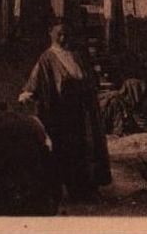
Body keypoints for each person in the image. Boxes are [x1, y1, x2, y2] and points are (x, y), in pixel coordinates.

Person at [19, 17, 111, 201]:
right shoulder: (47, 58)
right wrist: (27, 94)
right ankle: (73, 189)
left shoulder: (77, 54)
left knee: (87, 148)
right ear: (51, 34)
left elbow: (89, 76)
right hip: (64, 113)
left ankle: (87, 187)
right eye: (59, 34)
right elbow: (35, 83)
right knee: (68, 150)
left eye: (66, 34)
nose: (63, 38)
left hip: (83, 110)